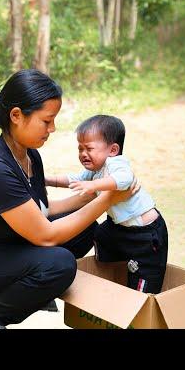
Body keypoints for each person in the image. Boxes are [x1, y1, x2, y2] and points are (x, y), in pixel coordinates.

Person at [0, 69, 137, 329]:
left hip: (1, 248)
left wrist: (97, 192)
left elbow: (43, 211)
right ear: (16, 116)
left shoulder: (29, 155)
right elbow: (46, 235)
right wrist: (107, 200)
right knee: (60, 263)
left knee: (85, 229)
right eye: (47, 121)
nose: (53, 128)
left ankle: (29, 290)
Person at [46, 115, 168, 294]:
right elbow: (75, 179)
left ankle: (143, 297)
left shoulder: (116, 163)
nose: (83, 154)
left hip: (145, 234)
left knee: (145, 273)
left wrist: (93, 185)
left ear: (113, 150)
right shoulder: (95, 169)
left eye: (89, 148)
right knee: (100, 234)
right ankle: (114, 266)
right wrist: (49, 180)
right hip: (119, 227)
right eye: (80, 148)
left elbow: (125, 179)